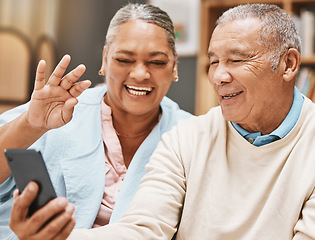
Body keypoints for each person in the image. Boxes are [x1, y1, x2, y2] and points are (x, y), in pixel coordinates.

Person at [67, 3, 315, 240]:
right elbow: (144, 230)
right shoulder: (185, 138)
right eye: (214, 61)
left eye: (237, 60)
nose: (218, 76)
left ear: (288, 64)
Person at [0, 3, 191, 240]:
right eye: (124, 59)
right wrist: (30, 125)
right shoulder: (56, 110)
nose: (140, 74)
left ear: (174, 65)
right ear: (104, 60)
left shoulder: (191, 134)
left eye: (157, 62)